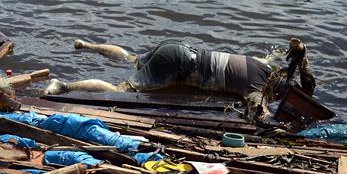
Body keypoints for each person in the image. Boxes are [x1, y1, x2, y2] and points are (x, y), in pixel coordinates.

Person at [44, 37, 315, 119]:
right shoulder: (256, 88)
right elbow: (259, 113)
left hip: (179, 49)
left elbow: (278, 56)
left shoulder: (260, 64)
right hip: (179, 66)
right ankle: (64, 85)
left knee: (132, 59)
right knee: (122, 89)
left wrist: (298, 58)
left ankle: (86, 45)